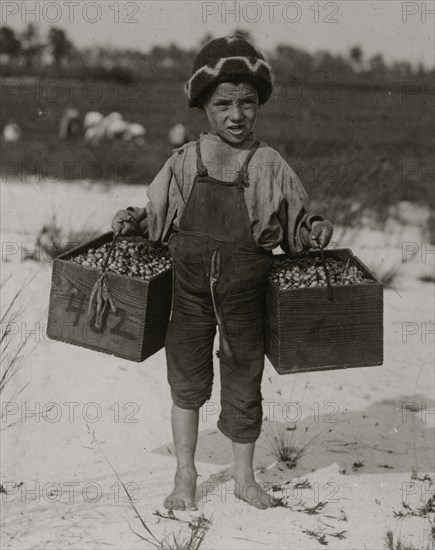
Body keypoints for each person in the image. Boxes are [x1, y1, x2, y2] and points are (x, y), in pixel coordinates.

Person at [112, 35, 333, 511]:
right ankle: (185, 473)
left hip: (245, 298)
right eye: (223, 104)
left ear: (260, 105)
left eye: (247, 103)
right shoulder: (186, 160)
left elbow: (296, 225)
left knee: (244, 380)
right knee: (186, 382)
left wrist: (314, 229)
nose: (236, 115)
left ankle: (246, 478)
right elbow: (157, 213)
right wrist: (132, 219)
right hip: (189, 296)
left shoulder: (271, 164)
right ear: (204, 107)